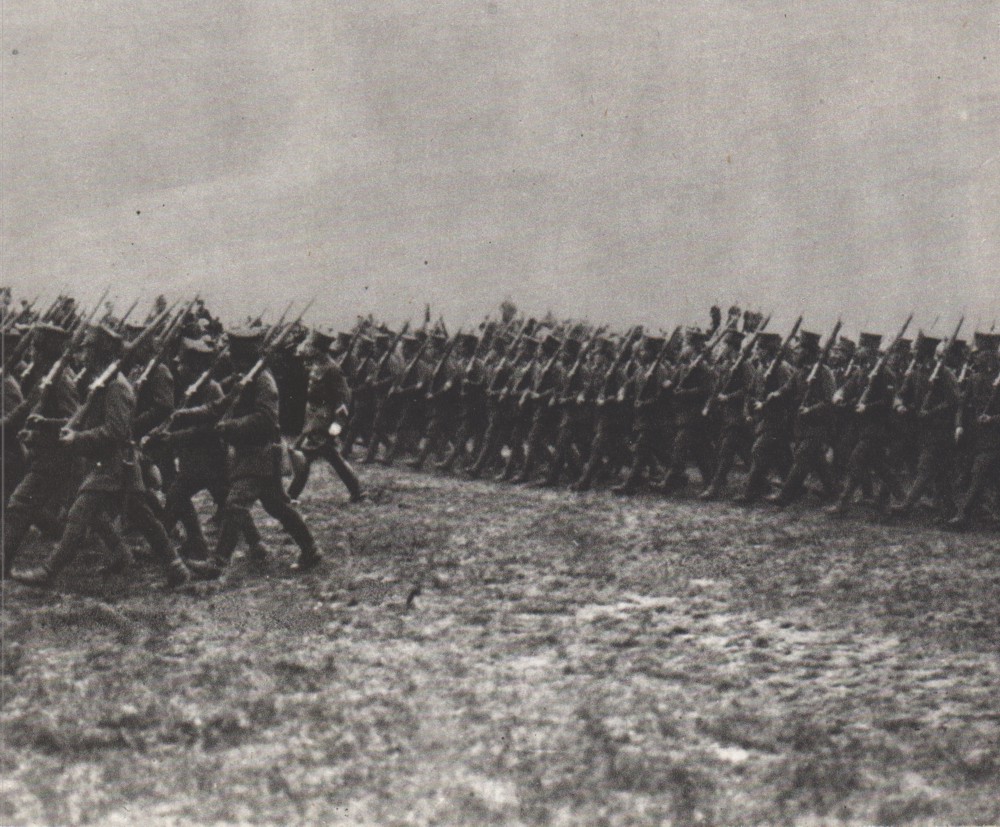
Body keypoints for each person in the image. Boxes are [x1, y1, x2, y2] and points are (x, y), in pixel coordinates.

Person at [13, 324, 192, 588]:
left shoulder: (116, 387)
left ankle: (48, 572)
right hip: (114, 465)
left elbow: (115, 432)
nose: (82, 355)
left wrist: (78, 439)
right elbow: (80, 419)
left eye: (88, 349)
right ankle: (175, 567)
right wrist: (44, 428)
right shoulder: (103, 383)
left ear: (100, 353)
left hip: (115, 465)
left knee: (80, 513)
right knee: (143, 518)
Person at [185, 327, 321, 578]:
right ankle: (310, 549)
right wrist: (187, 414)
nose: (231, 358)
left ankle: (217, 563)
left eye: (236, 354)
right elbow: (220, 405)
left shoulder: (262, 381)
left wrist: (230, 426)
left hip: (261, 453)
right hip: (252, 454)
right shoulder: (245, 377)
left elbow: (266, 419)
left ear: (244, 355)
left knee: (236, 504)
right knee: (277, 506)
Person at [287, 327, 364, 502]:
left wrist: (337, 425)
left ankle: (290, 497)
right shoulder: (317, 364)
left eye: (310, 346)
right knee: (332, 456)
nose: (306, 348)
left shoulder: (332, 368)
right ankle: (357, 491)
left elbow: (344, 399)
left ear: (318, 348)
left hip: (323, 421)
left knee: (305, 458)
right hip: (313, 420)